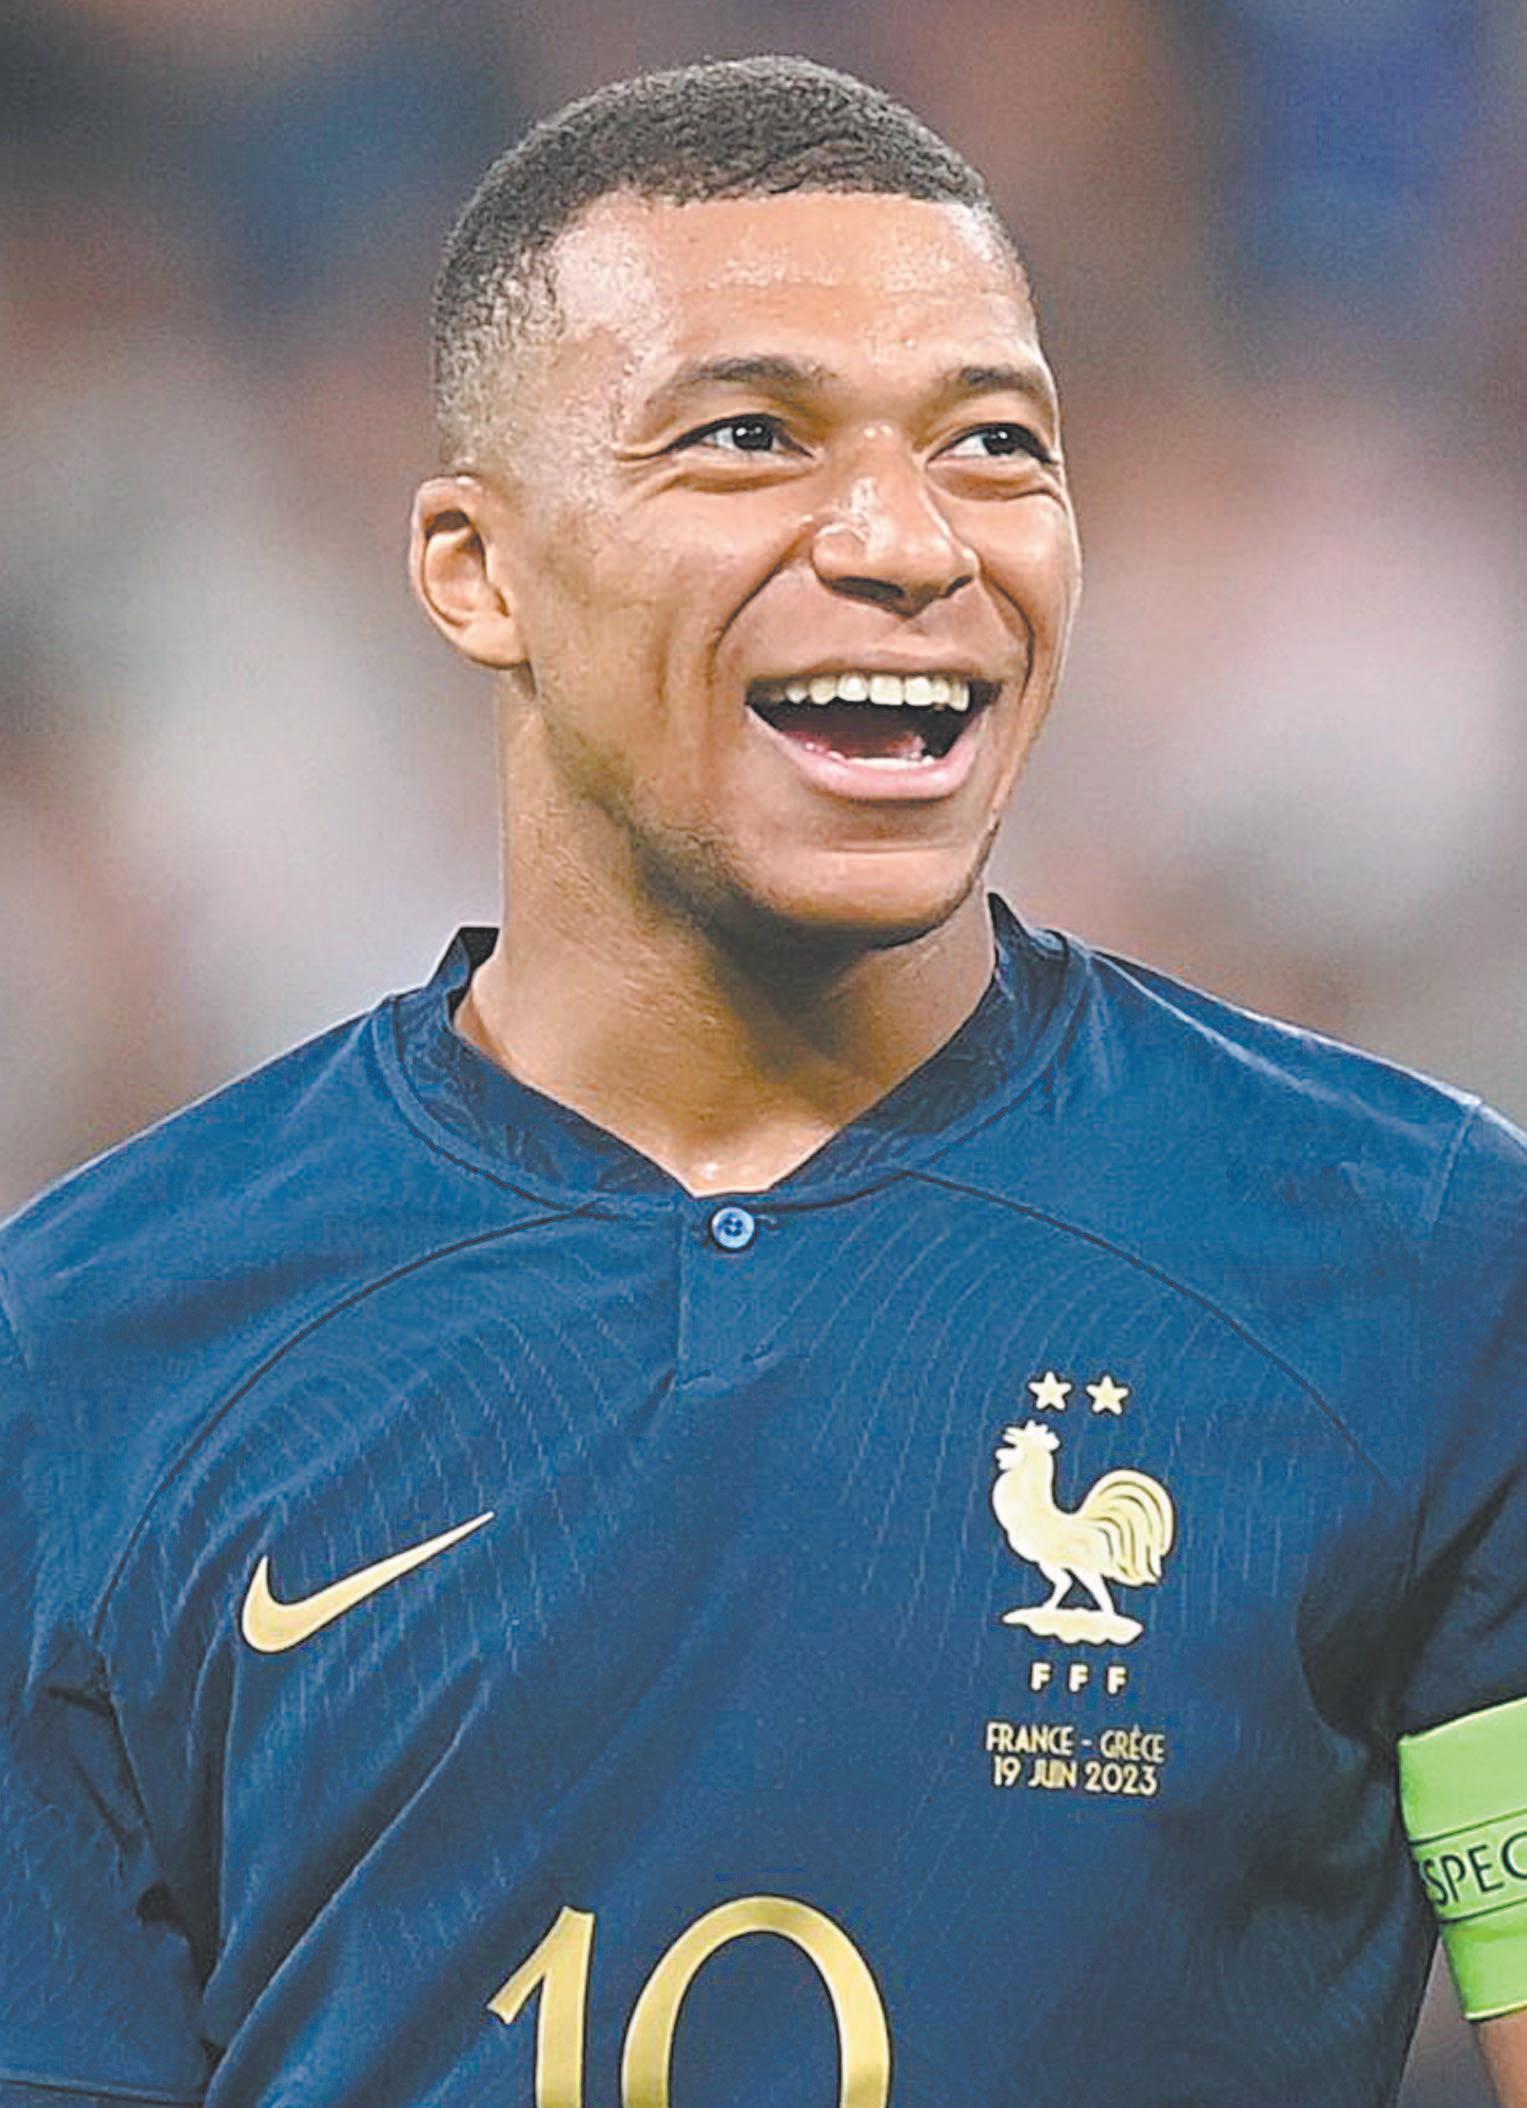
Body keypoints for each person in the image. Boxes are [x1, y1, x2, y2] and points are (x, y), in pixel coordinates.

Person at [1, 53, 1524, 2108]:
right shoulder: (91, 1349)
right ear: (475, 568)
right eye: (748, 436)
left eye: (994, 444)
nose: (907, 537)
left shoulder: (1427, 1269)